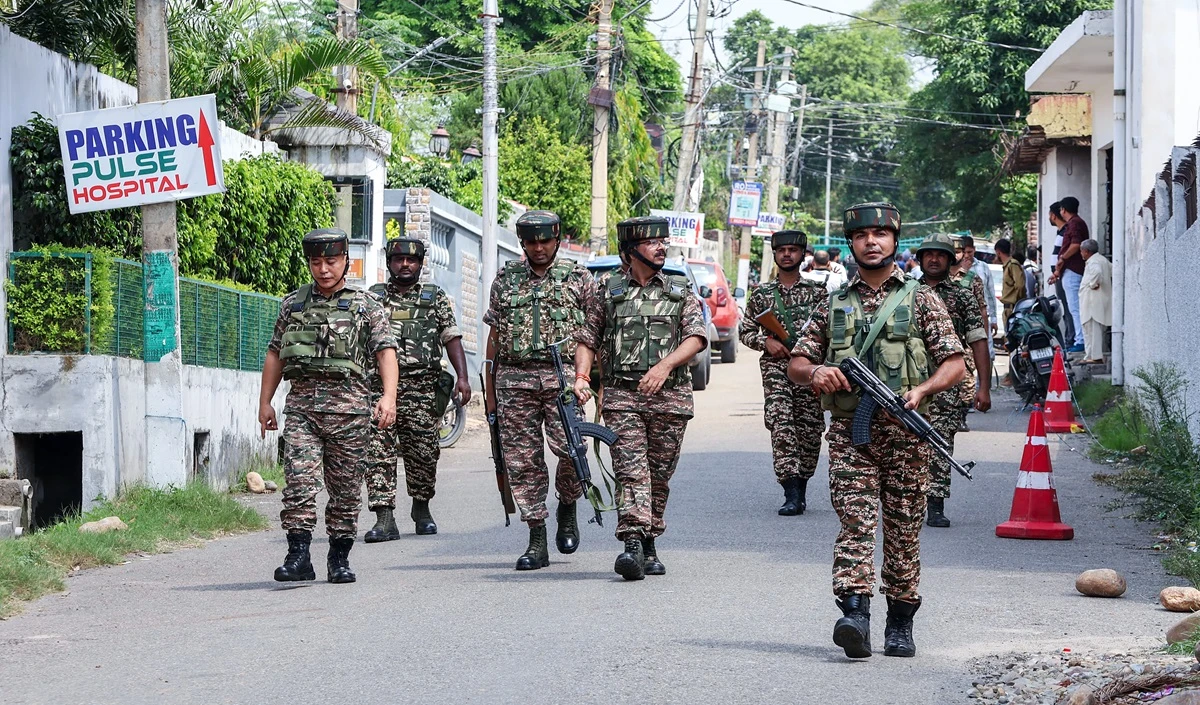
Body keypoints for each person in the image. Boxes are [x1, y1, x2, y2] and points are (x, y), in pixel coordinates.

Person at [788, 203, 965, 660]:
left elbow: (955, 365)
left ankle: (900, 625)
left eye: (881, 234)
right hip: (851, 434)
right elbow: (797, 362)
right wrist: (816, 374)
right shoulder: (834, 303)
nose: (872, 241)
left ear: (894, 241)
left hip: (906, 436)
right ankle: (855, 616)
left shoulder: (920, 298)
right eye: (863, 235)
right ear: (850, 243)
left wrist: (923, 390)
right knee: (856, 522)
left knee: (904, 531)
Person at [258, 227, 398, 584]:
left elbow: (385, 352)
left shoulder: (366, 306)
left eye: (331, 261)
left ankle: (339, 558)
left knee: (346, 489)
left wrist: (388, 397)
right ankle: (298, 556)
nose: (324, 269)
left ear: (346, 261)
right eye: (316, 262)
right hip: (303, 410)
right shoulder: (293, 304)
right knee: (299, 484)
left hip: (350, 413)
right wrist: (265, 402)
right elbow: (275, 353)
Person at [573, 216, 707, 581]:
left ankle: (650, 541)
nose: (662, 246)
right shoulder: (608, 290)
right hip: (622, 398)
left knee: (659, 475)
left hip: (671, 399)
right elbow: (587, 338)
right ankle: (632, 543)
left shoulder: (679, 289)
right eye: (653, 242)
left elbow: (696, 338)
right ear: (631, 251)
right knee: (632, 472)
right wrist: (582, 377)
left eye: (664, 241)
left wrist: (664, 367)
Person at [483, 210, 598, 571]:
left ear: (557, 238)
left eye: (544, 240)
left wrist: (586, 379)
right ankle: (536, 538)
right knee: (521, 461)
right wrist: (489, 389)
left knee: (570, 449)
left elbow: (590, 336)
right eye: (530, 242)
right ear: (522, 243)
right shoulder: (505, 279)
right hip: (514, 381)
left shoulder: (579, 278)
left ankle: (568, 503)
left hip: (562, 379)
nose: (538, 248)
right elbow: (495, 338)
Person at [362, 237, 471, 541]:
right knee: (377, 450)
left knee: (423, 452)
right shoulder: (373, 298)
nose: (405, 265)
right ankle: (384, 518)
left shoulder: (434, 298)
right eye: (399, 259)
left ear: (421, 264)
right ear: (390, 262)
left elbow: (451, 337)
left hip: (423, 388)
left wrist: (462, 377)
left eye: (411, 260)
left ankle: (421, 509)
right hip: (380, 389)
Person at [740, 230, 828, 516]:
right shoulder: (762, 294)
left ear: (803, 255)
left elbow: (831, 333)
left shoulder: (818, 292)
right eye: (782, 250)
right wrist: (765, 341)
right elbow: (746, 330)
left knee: (810, 428)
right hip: (776, 370)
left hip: (810, 369)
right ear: (775, 255)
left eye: (793, 250)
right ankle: (790, 491)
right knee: (781, 424)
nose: (787, 254)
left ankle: (801, 487)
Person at [915, 234, 991, 528]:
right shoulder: (906, 293)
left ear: (951, 260)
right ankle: (905, 501)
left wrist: (984, 386)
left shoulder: (962, 296)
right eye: (928, 254)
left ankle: (935, 505)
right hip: (909, 380)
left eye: (941, 255)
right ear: (920, 259)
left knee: (940, 442)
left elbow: (978, 341)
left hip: (949, 382)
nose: (934, 259)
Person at [1049, 196, 1088, 353]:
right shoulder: (1073, 224)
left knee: (1075, 307)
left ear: (1063, 210)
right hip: (1068, 270)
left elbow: (1076, 244)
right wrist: (1058, 270)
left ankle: (1080, 340)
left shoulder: (1075, 223)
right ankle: (1079, 339)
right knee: (1073, 308)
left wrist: (1063, 257)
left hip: (1073, 270)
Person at [1046, 202, 1076, 346]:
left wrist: (1058, 271)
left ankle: (1072, 339)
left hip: (1064, 275)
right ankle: (1070, 338)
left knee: (1070, 308)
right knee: (1066, 308)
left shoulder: (1066, 232)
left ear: (1053, 215)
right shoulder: (1061, 232)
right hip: (1059, 276)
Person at [1078, 239, 1112, 365]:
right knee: (1094, 328)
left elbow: (1097, 272)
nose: (1081, 253)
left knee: (1091, 329)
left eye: (1082, 251)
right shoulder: (1102, 259)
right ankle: (1091, 355)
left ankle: (1094, 356)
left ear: (1086, 251)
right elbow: (1113, 270)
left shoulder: (1094, 262)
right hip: (1099, 300)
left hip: (1092, 301)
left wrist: (1093, 284)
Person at [995, 238, 1024, 328]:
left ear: (998, 252)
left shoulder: (1013, 264)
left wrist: (1018, 304)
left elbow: (1020, 285)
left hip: (1013, 308)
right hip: (1008, 308)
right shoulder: (1007, 266)